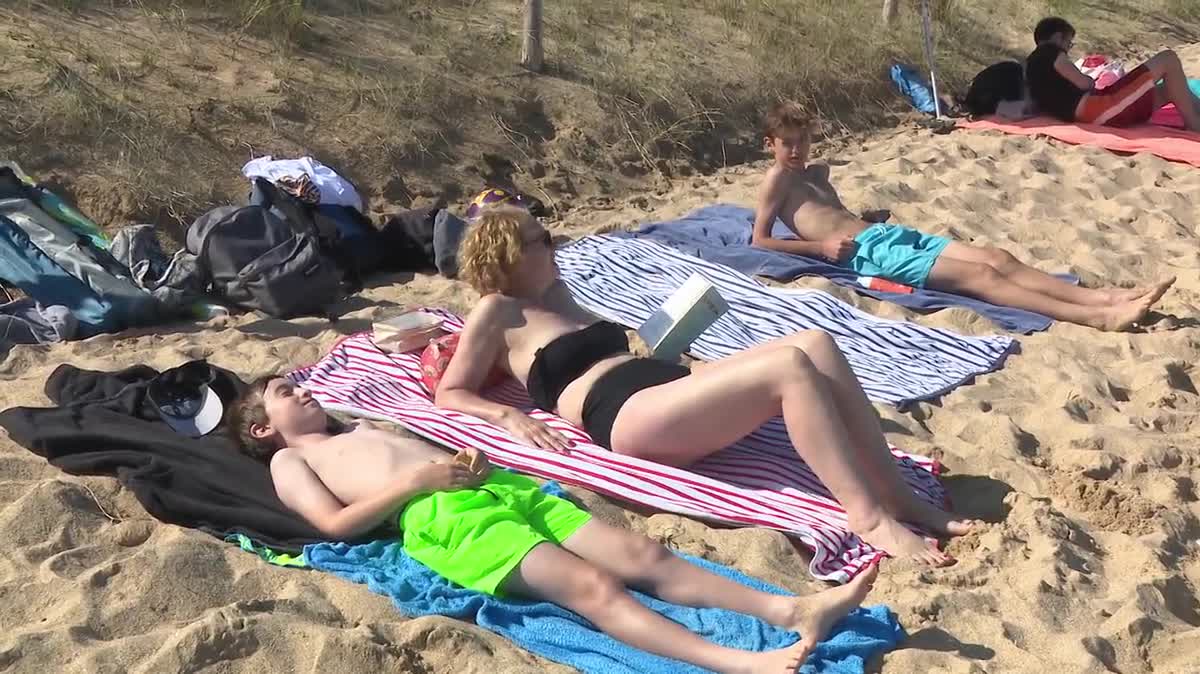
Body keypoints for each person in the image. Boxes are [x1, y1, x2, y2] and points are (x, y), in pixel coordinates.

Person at [436, 205, 976, 566]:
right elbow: (451, 391)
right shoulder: (496, 312)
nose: (554, 244)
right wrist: (509, 416)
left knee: (815, 343)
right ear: (511, 254)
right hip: (623, 412)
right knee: (789, 367)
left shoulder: (559, 291)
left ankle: (898, 495)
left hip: (661, 380)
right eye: (542, 238)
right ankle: (869, 516)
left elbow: (611, 351)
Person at [230, 375, 880, 674]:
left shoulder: (356, 425)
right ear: (263, 427)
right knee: (595, 591)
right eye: (285, 393)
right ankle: (738, 664)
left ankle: (790, 611)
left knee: (639, 554)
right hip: (439, 519)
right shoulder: (292, 460)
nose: (302, 390)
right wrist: (416, 483)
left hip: (495, 489)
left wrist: (461, 461)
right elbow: (335, 525)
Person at [750, 101, 1174, 331]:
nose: (796, 150)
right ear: (771, 143)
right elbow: (760, 241)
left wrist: (858, 218)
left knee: (998, 258)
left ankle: (1109, 297)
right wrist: (819, 247)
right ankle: (1097, 317)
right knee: (983, 279)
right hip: (862, 255)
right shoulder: (777, 182)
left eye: (802, 141)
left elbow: (830, 215)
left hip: (884, 235)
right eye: (787, 143)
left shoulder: (816, 172)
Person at [1026, 17, 1200, 131]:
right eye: (1069, 44)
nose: (1068, 49)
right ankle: (1194, 125)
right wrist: (1090, 80)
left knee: (1170, 89)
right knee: (1168, 59)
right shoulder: (1051, 52)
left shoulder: (1031, 63)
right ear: (1058, 38)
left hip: (1096, 114)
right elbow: (1083, 83)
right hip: (1098, 110)